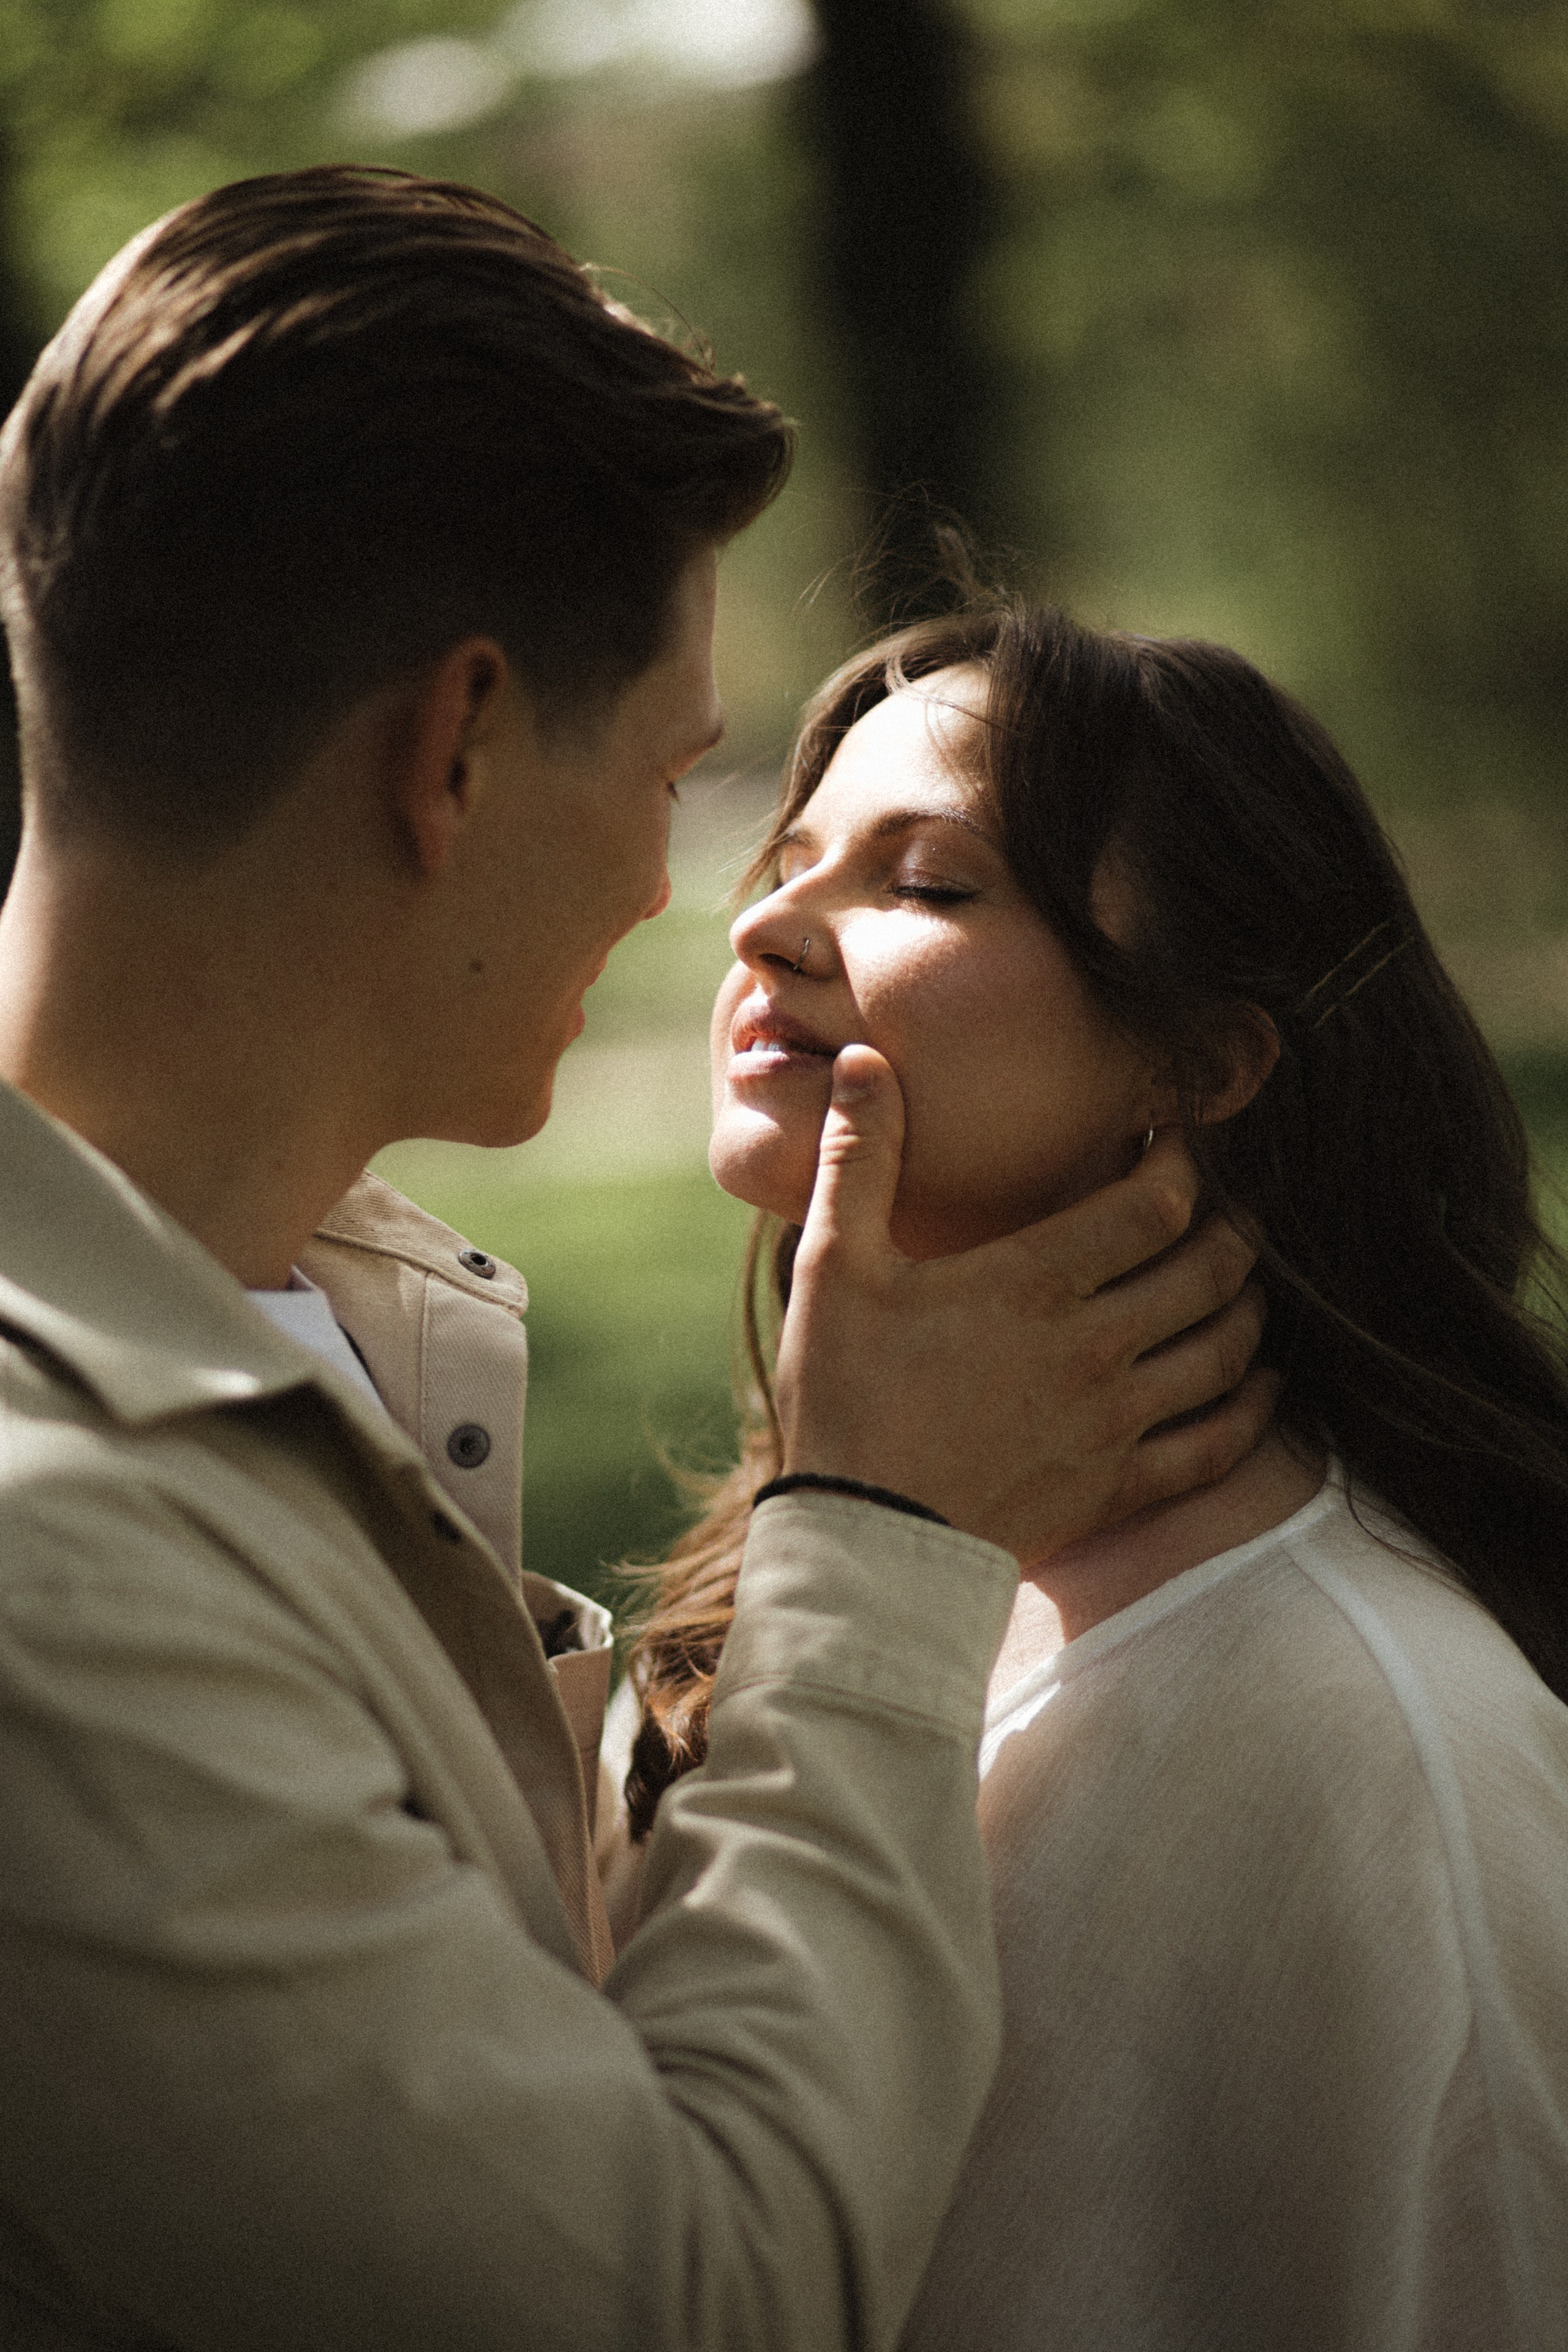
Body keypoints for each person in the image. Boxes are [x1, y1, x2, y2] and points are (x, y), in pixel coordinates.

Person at [0, 172, 1276, 2351]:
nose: (706, 902)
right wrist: (880, 1546)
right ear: (460, 745)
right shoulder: (59, 1574)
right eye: (687, 778)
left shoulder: (307, 1326)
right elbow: (696, 2301)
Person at [614, 601, 1568, 2347]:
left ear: (1202, 1058)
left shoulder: (1380, 1740)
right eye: (791, 855)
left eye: (924, 883)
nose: (764, 924)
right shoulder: (812, 1555)